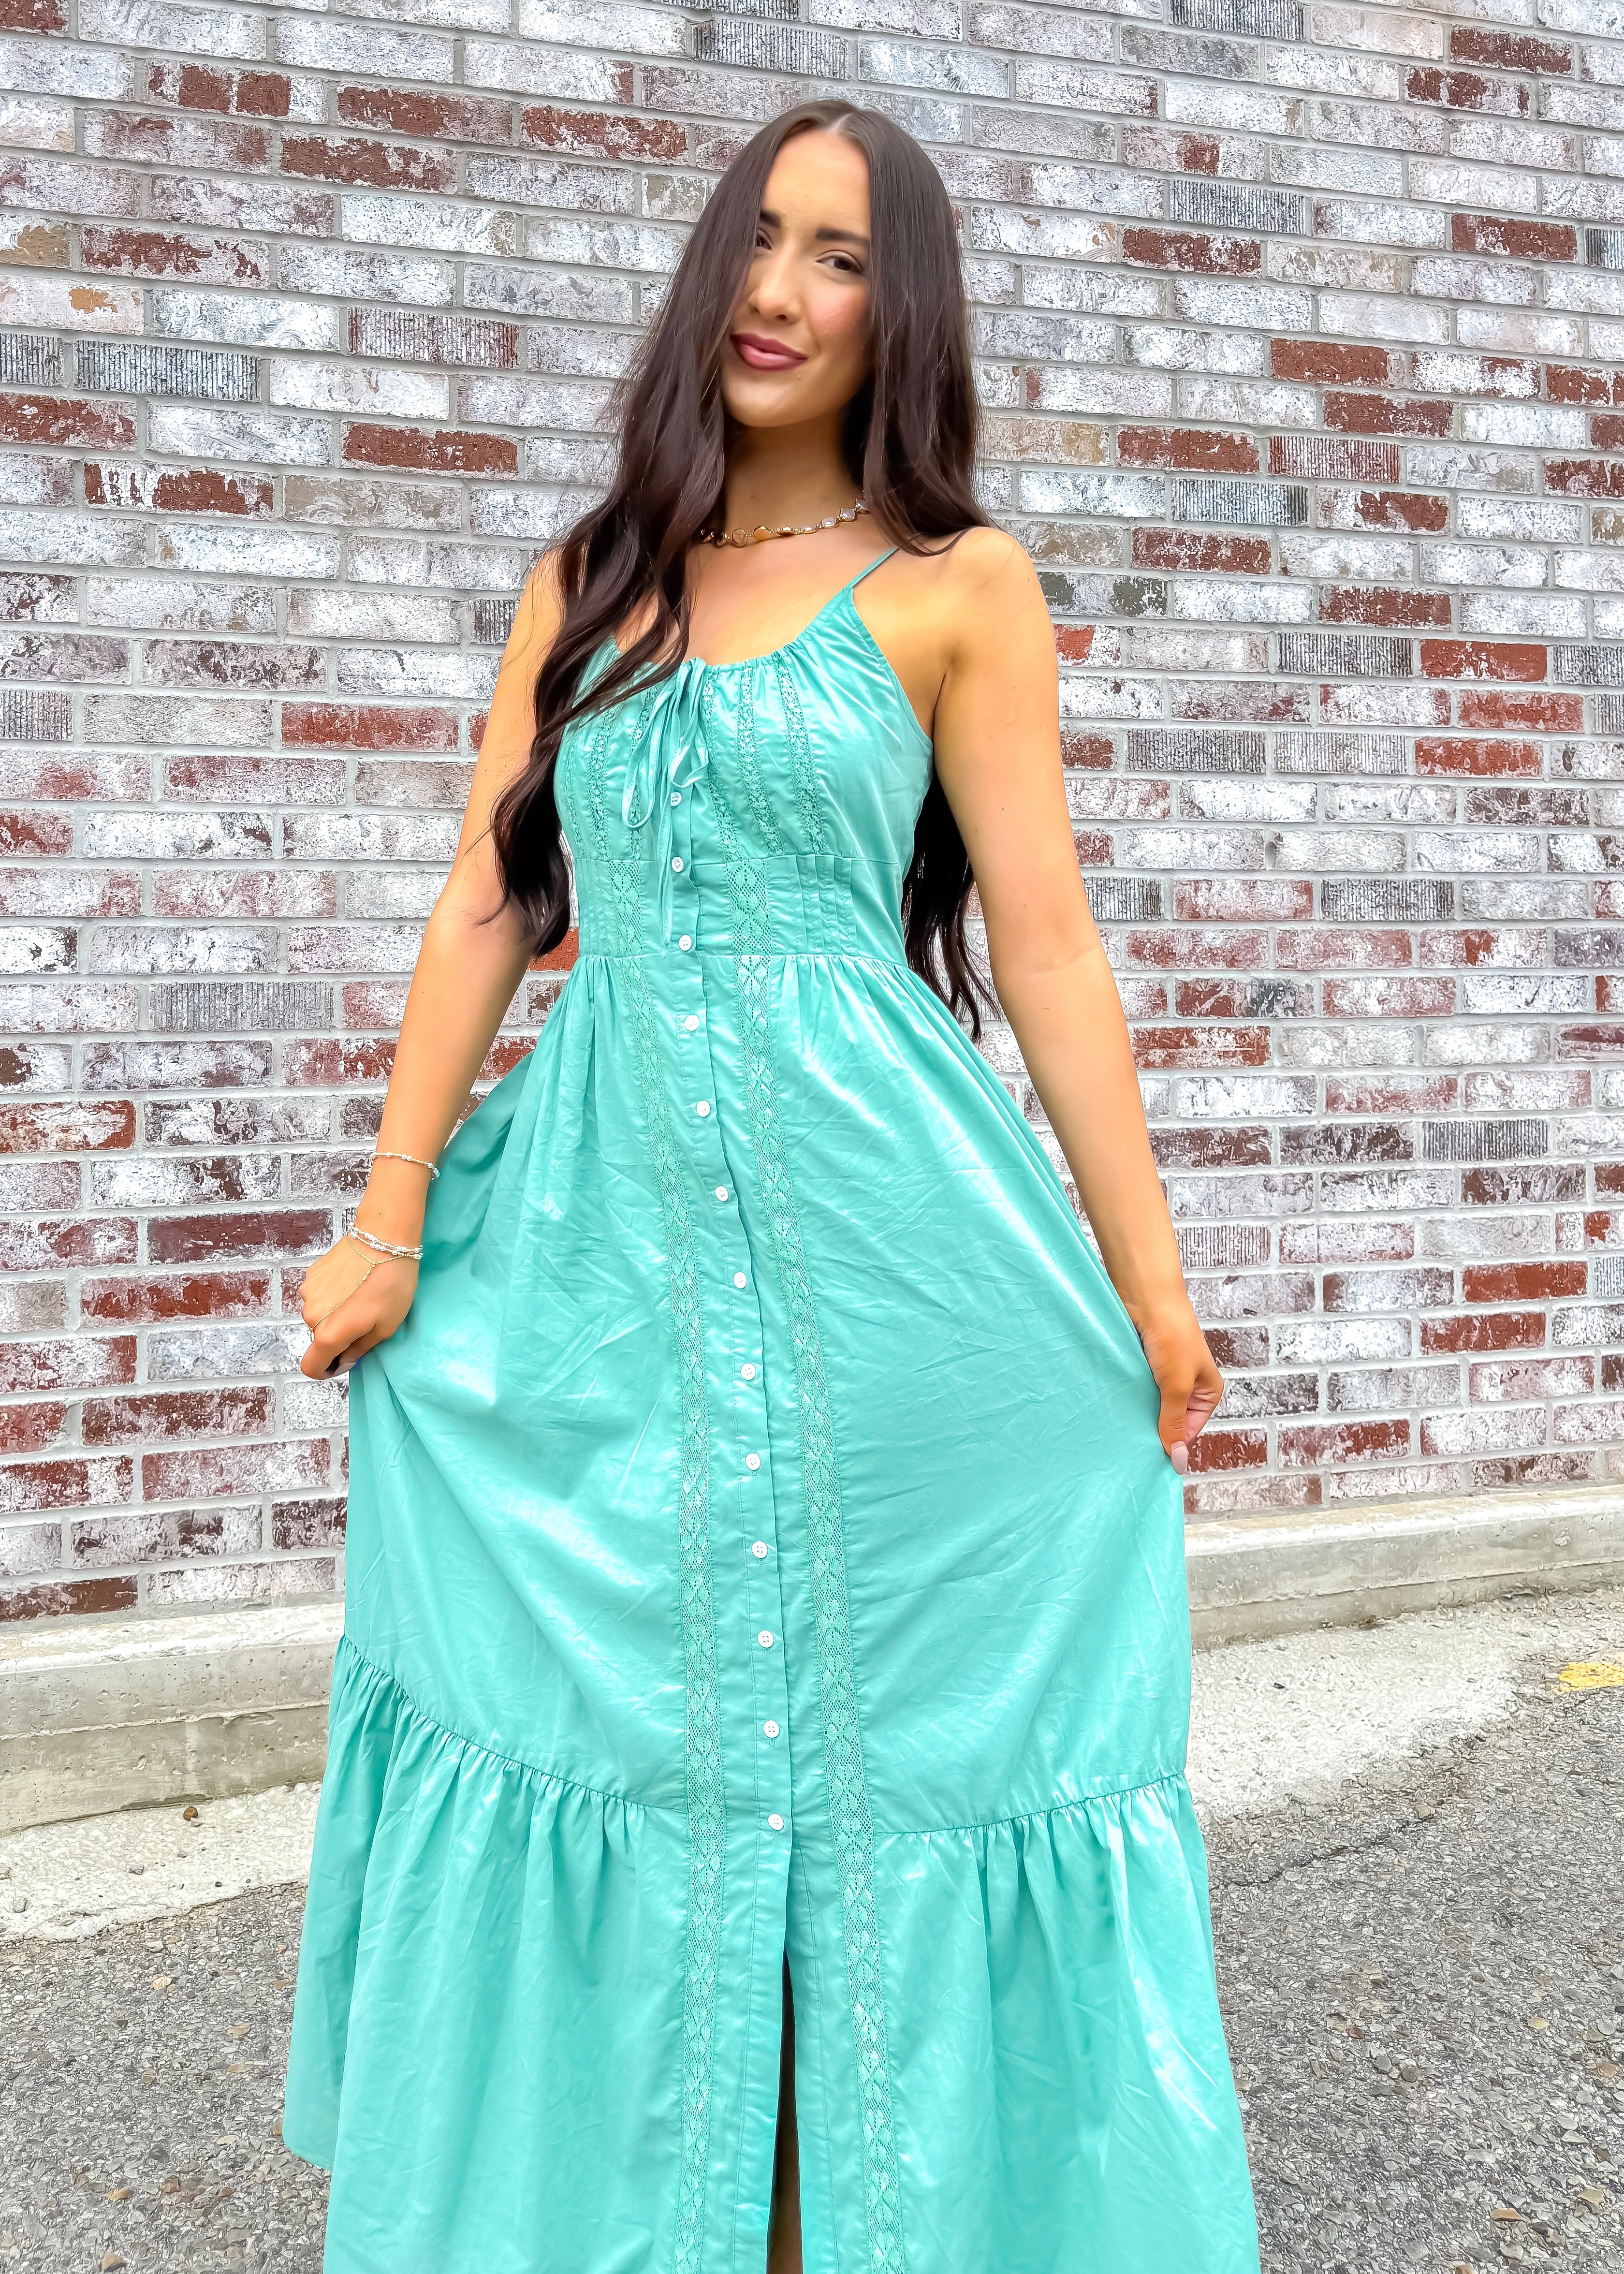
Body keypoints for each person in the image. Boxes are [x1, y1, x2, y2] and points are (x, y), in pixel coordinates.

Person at [280, 96, 1260, 2274]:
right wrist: (389, 1211)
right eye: (759, 237)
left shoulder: (957, 588)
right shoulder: (592, 581)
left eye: (840, 256)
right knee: (628, 1730)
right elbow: (491, 900)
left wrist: (1152, 1288)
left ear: (901, 312)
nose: (781, 290)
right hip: (593, 1253)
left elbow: (1050, 946)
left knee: (887, 1747)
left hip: (893, 1245)